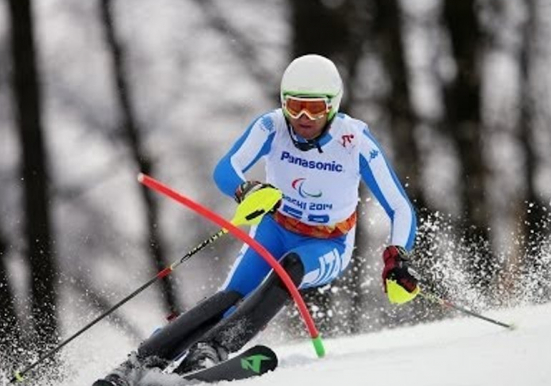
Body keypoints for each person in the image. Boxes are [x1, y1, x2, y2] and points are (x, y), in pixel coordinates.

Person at [94, 54, 419, 386]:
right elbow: (225, 169)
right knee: (230, 297)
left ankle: (212, 349)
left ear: (333, 106)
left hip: (327, 244)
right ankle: (142, 360)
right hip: (275, 229)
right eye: (294, 106)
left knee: (290, 268)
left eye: (315, 109)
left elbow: (400, 207)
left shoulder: (355, 141)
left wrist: (397, 257)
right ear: (283, 103)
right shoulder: (272, 126)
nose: (304, 118)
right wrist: (245, 189)